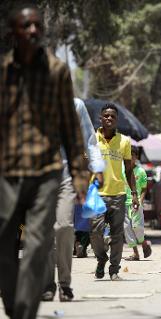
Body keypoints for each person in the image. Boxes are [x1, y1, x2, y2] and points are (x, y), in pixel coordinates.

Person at [0, 5, 89, 318]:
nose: (33, 31)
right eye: (26, 26)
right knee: (5, 242)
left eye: (37, 26)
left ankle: (24, 309)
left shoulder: (56, 71)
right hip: (8, 172)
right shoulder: (3, 72)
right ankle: (14, 302)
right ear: (13, 33)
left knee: (39, 241)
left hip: (47, 171)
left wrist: (80, 173)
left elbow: (70, 127)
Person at [43, 98, 105, 301]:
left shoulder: (75, 105)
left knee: (64, 226)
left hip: (65, 175)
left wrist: (97, 168)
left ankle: (64, 283)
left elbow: (89, 140)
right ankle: (47, 284)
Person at [90, 103, 138, 281]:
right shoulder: (92, 139)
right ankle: (101, 259)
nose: (109, 118)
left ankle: (114, 269)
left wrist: (134, 193)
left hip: (118, 194)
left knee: (117, 235)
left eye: (113, 116)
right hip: (97, 194)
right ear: (100, 118)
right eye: (106, 116)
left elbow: (129, 170)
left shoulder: (124, 141)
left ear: (117, 121)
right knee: (95, 232)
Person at [123, 146, 152, 261]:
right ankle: (135, 253)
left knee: (136, 227)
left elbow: (144, 189)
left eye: (133, 155)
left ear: (136, 157)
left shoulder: (141, 171)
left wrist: (140, 201)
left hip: (136, 203)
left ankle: (144, 244)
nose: (130, 158)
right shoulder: (122, 170)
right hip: (124, 202)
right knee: (127, 228)